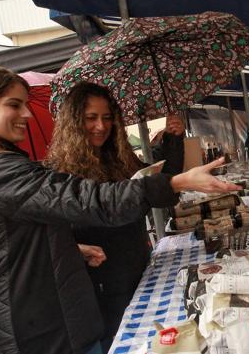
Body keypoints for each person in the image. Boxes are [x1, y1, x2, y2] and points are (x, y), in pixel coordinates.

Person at [0, 65, 239, 354]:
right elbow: (89, 201)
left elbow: (24, 234)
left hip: (71, 308)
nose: (27, 115)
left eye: (107, 118)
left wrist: (70, 247)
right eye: (14, 105)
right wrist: (174, 182)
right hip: (54, 321)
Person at [43, 82, 182, 352]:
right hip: (101, 281)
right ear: (73, 122)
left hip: (138, 264)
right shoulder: (56, 171)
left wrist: (173, 140)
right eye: (91, 118)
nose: (101, 126)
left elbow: (162, 186)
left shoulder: (119, 157)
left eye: (107, 118)